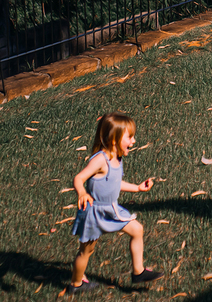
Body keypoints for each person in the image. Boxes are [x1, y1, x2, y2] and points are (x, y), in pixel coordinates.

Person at [68, 112, 163, 293]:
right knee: (86, 252)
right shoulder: (100, 160)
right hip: (94, 212)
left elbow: (114, 183)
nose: (134, 141)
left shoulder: (116, 157)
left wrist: (137, 188)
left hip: (111, 209)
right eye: (129, 137)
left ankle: (138, 272)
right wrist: (81, 193)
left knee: (137, 229)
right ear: (114, 140)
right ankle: (76, 284)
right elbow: (79, 178)